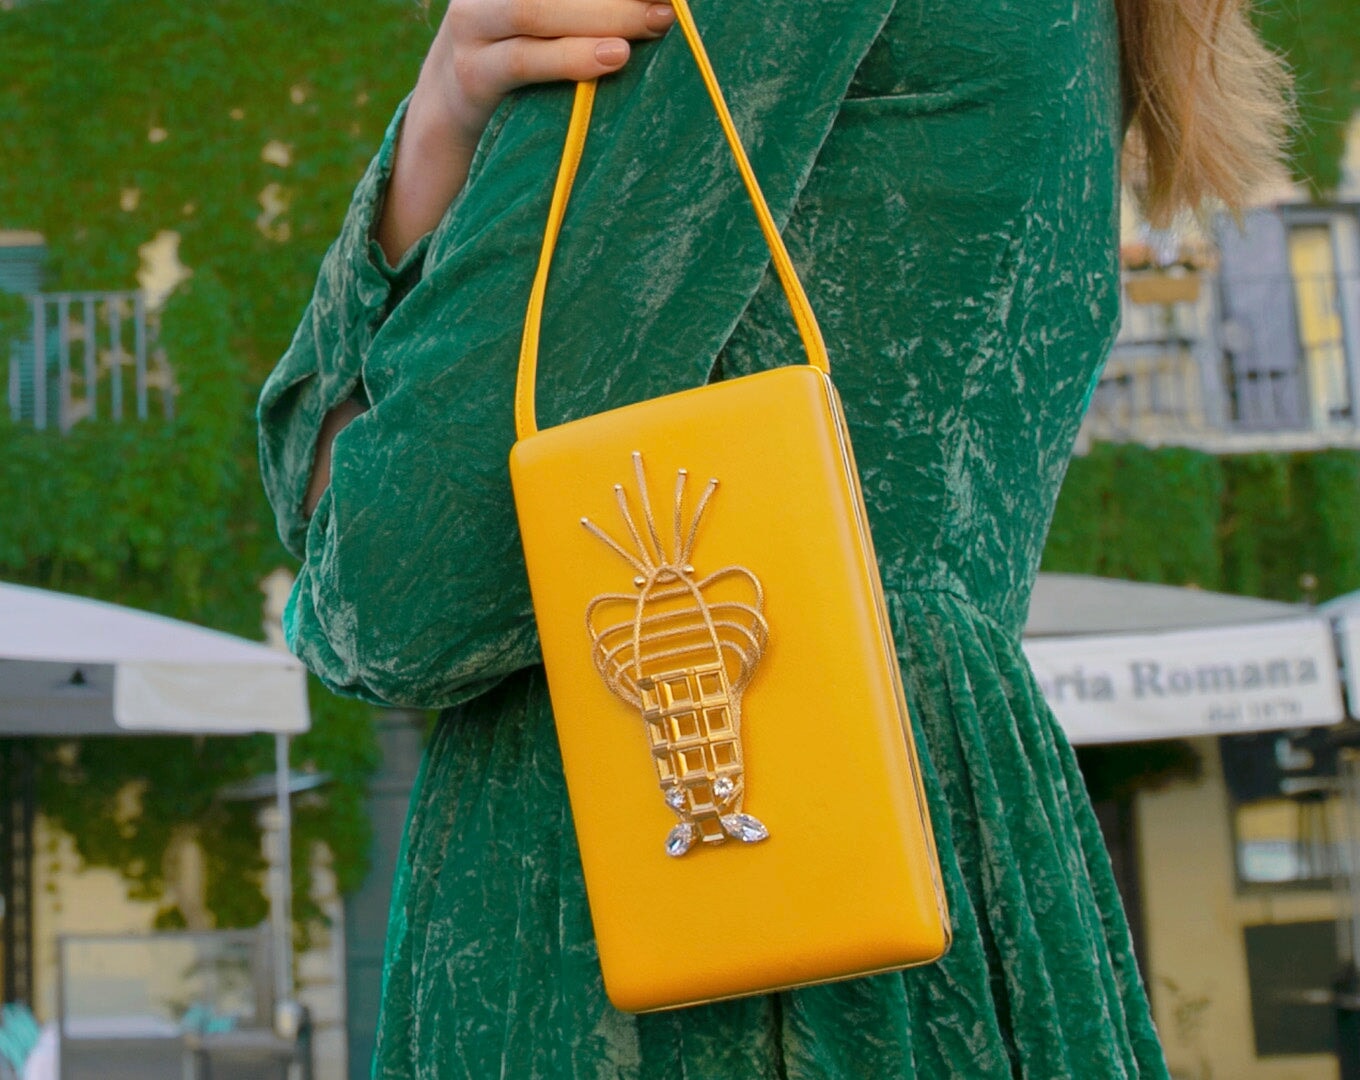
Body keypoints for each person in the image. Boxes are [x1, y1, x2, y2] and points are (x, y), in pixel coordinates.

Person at [258, 0, 1289, 1075]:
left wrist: (434, 133)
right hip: (932, 845)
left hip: (655, 917)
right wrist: (441, 120)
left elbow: (388, 592)